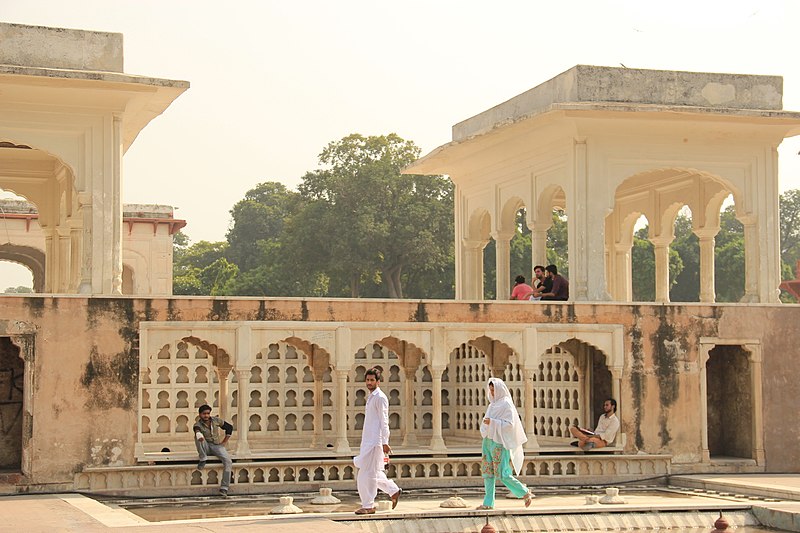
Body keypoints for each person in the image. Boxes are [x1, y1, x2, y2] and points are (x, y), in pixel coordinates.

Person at [478, 377, 534, 510]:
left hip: (499, 442)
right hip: (488, 441)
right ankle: (488, 503)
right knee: (488, 473)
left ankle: (524, 492)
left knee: (503, 473)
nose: (492, 393)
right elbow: (486, 421)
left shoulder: (506, 404)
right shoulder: (492, 405)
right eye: (490, 390)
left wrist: (493, 422)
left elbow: (510, 425)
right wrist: (487, 424)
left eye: (494, 390)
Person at [353, 367, 402, 515]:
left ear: (378, 382)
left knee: (365, 474)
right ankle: (393, 490)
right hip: (368, 441)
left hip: (375, 442)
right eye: (367, 380)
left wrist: (385, 442)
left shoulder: (380, 397)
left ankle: (368, 506)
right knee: (373, 473)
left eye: (372, 380)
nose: (369, 382)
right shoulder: (372, 397)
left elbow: (384, 420)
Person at [193, 404, 234, 496]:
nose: (206, 415)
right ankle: (203, 458)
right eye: (204, 414)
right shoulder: (198, 424)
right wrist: (198, 434)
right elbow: (197, 430)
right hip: (206, 446)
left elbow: (229, 427)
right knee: (198, 436)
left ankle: (224, 488)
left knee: (228, 461)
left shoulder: (216, 420)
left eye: (208, 413)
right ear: (200, 414)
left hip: (217, 446)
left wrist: (224, 442)